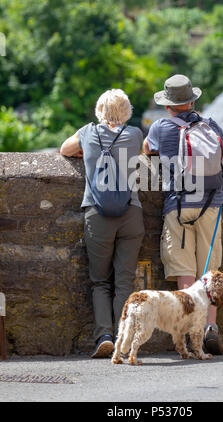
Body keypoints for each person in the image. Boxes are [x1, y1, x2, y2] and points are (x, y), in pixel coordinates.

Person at [144, 74, 223, 355]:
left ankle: (189, 330)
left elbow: (147, 150)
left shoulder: (160, 126)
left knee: (184, 271)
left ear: (168, 106)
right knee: (210, 271)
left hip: (179, 204)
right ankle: (210, 328)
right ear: (192, 101)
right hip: (211, 202)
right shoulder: (210, 124)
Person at [60, 89, 145, 358]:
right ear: (127, 111)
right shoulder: (134, 135)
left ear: (99, 110)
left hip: (97, 214)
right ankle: (123, 337)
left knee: (99, 282)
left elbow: (64, 149)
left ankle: (103, 336)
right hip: (131, 212)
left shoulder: (87, 133)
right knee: (124, 281)